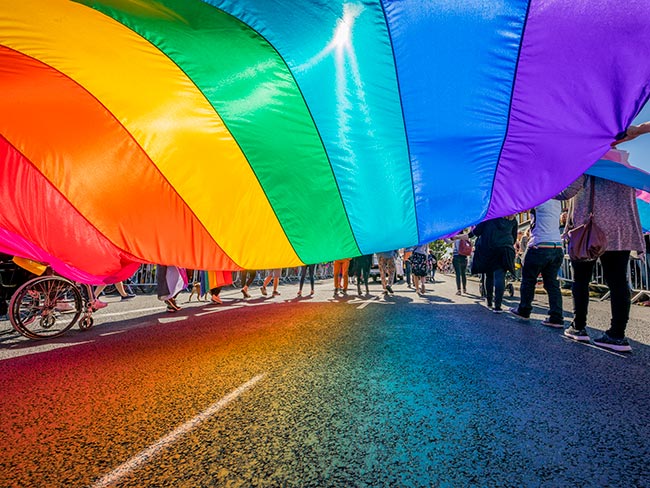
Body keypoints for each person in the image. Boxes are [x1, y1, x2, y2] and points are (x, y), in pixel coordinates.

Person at [558, 174, 644, 352]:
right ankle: (617, 335)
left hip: (589, 230)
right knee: (619, 282)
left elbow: (568, 192)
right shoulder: (624, 166)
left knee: (581, 280)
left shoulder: (589, 160)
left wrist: (541, 190)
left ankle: (578, 326)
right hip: (620, 229)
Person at [508, 198, 565, 327]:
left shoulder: (539, 198)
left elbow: (520, 206)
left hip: (539, 245)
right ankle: (556, 317)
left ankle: (524, 310)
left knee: (528, 280)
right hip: (556, 246)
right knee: (552, 284)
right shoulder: (558, 201)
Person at [471, 216, 518, 313]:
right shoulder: (513, 219)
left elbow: (476, 232)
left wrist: (457, 236)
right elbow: (514, 238)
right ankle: (498, 306)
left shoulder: (490, 216)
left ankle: (489, 302)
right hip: (506, 249)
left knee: (489, 276)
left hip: (490, 249)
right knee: (500, 276)